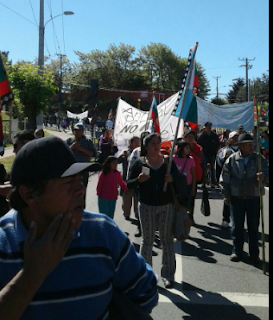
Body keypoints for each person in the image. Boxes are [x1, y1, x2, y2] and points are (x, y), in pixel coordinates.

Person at [0, 136, 159, 320]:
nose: (81, 190)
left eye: (79, 179)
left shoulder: (103, 233)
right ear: (28, 194)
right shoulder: (4, 244)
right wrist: (33, 274)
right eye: (68, 183)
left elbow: (146, 293)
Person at [127, 133, 178, 289]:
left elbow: (180, 180)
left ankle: (168, 275)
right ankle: (146, 275)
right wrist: (138, 180)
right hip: (146, 206)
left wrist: (172, 179)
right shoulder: (139, 163)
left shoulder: (168, 163)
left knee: (166, 240)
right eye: (153, 143)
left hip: (165, 206)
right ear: (146, 147)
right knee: (147, 241)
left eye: (158, 143)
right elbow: (128, 183)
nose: (156, 146)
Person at [219, 133, 269, 263]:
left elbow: (267, 174)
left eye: (252, 144)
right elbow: (224, 178)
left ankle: (254, 253)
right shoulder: (232, 159)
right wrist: (226, 194)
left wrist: (263, 176)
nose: (251, 146)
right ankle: (237, 251)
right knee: (237, 227)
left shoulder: (259, 159)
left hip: (253, 197)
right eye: (248, 144)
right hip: (237, 197)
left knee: (253, 226)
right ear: (240, 146)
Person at [66, 123, 97, 208]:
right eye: (75, 130)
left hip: (83, 170)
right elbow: (63, 153)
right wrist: (72, 147)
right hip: (71, 170)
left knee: (82, 189)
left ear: (82, 131)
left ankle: (81, 208)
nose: (77, 132)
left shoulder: (88, 141)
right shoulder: (69, 140)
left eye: (79, 130)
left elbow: (92, 154)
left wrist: (81, 149)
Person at [216, 131, 239, 228]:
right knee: (227, 199)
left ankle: (237, 221)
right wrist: (218, 179)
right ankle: (225, 219)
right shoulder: (223, 151)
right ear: (229, 139)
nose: (235, 140)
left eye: (237, 137)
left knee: (239, 202)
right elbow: (218, 165)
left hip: (240, 181)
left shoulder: (244, 150)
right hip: (228, 180)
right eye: (233, 138)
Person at [183, 129, 206, 224]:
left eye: (192, 137)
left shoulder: (199, 149)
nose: (190, 139)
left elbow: (203, 162)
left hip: (195, 177)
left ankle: (190, 216)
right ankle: (183, 215)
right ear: (184, 138)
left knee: (192, 196)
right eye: (188, 137)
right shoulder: (179, 148)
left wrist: (205, 175)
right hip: (183, 178)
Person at [118, 136, 140, 220]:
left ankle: (137, 215)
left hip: (137, 180)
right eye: (135, 142)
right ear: (131, 144)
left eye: (138, 142)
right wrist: (121, 156)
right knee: (126, 199)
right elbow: (117, 161)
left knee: (136, 199)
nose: (138, 144)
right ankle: (126, 214)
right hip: (127, 180)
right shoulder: (126, 153)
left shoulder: (140, 152)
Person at [173, 140, 196, 211]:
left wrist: (193, 188)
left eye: (189, 148)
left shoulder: (191, 160)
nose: (189, 150)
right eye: (186, 148)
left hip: (187, 186)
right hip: (176, 185)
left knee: (185, 206)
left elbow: (193, 175)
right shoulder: (173, 159)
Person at [197, 121, 220, 188]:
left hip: (212, 154)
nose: (209, 128)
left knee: (212, 168)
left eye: (210, 126)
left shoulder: (214, 135)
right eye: (208, 126)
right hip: (204, 154)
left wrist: (215, 151)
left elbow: (217, 144)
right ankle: (204, 182)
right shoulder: (201, 136)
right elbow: (199, 145)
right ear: (205, 127)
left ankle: (213, 182)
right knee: (204, 168)